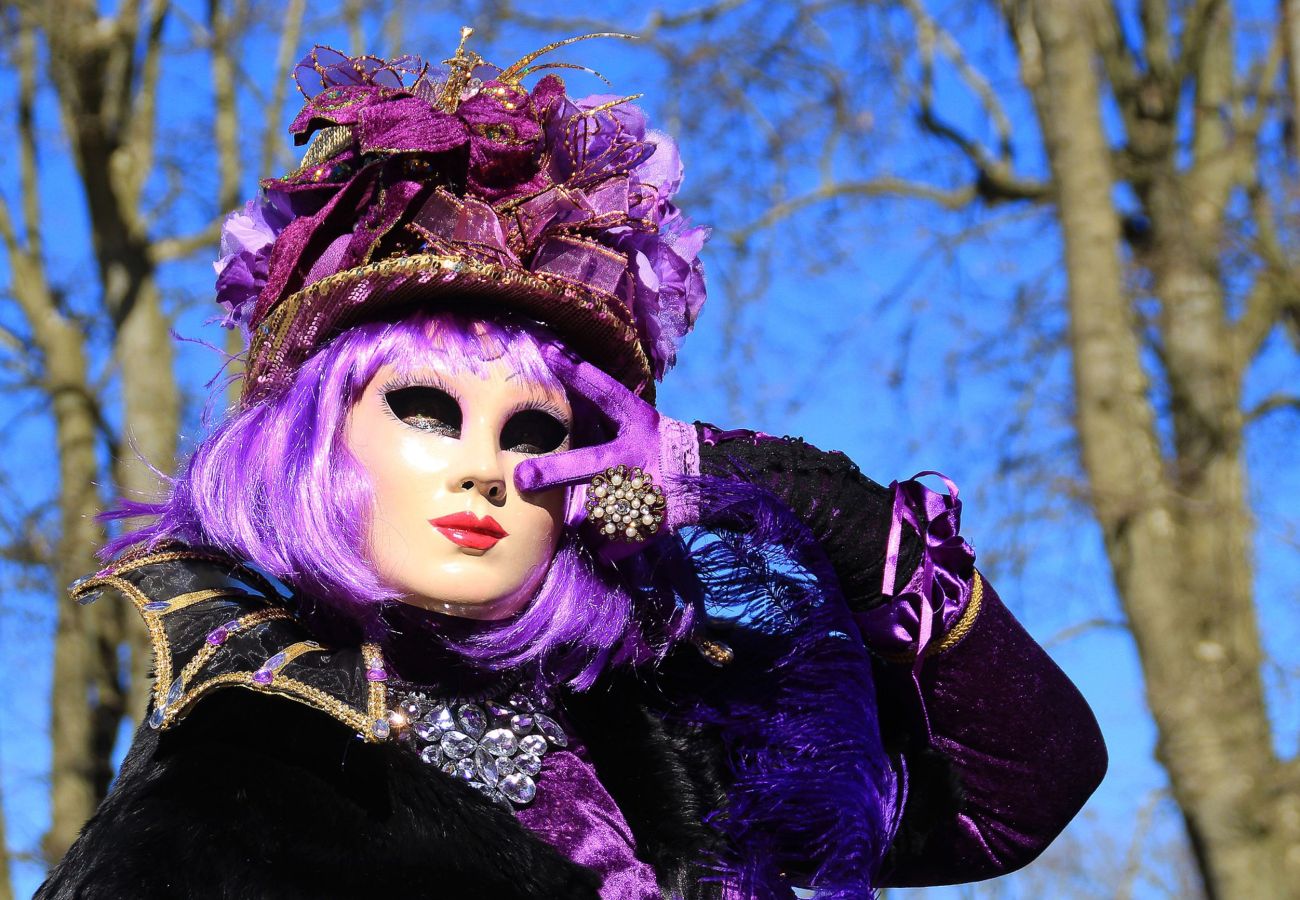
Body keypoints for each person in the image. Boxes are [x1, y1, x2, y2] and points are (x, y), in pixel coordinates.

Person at [38, 32, 1106, 900]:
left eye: (535, 433)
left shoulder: (672, 734)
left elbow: (1016, 793)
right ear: (311, 444)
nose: (486, 470)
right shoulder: (230, 794)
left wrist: (782, 492)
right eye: (426, 412)